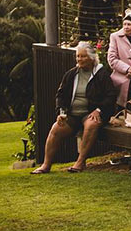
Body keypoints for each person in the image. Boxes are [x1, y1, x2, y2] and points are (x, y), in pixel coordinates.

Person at [32, 42, 117, 174]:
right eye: (78, 56)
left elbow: (111, 96)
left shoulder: (101, 74)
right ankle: (46, 165)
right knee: (56, 128)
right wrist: (61, 112)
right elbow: (60, 95)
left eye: (83, 56)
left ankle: (80, 161)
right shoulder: (71, 74)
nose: (79, 59)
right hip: (72, 115)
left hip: (91, 113)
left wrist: (98, 110)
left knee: (92, 124)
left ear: (91, 58)